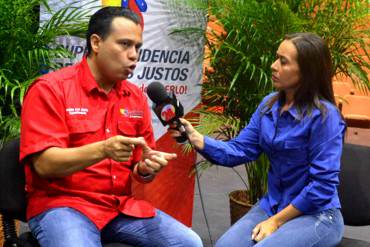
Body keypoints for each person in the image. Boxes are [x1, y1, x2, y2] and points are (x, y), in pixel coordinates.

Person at [20, 7, 202, 247]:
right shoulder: (51, 90)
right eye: (125, 44)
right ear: (96, 43)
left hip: (118, 208)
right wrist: (104, 149)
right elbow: (44, 165)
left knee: (190, 242)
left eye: (137, 47)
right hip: (62, 205)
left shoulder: (135, 97)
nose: (134, 55)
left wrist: (146, 169)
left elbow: (139, 167)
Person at [170, 32, 345, 247]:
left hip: (316, 215)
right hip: (273, 205)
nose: (273, 65)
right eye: (276, 58)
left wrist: (276, 221)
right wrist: (196, 138)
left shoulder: (326, 117)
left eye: (283, 62)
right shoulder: (268, 106)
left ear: (307, 72)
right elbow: (239, 150)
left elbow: (322, 187)